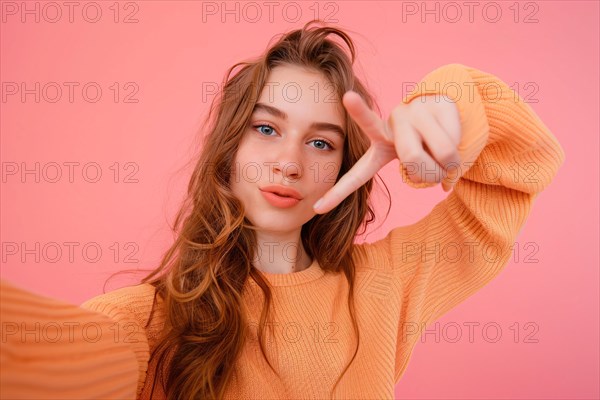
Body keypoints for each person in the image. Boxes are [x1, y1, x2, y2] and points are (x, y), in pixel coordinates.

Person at [1, 19, 565, 399]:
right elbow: (59, 355)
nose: (290, 163)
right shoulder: (152, 317)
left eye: (321, 142)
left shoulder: (388, 281)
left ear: (346, 165)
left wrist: (446, 104)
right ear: (228, 151)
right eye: (267, 129)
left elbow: (521, 173)